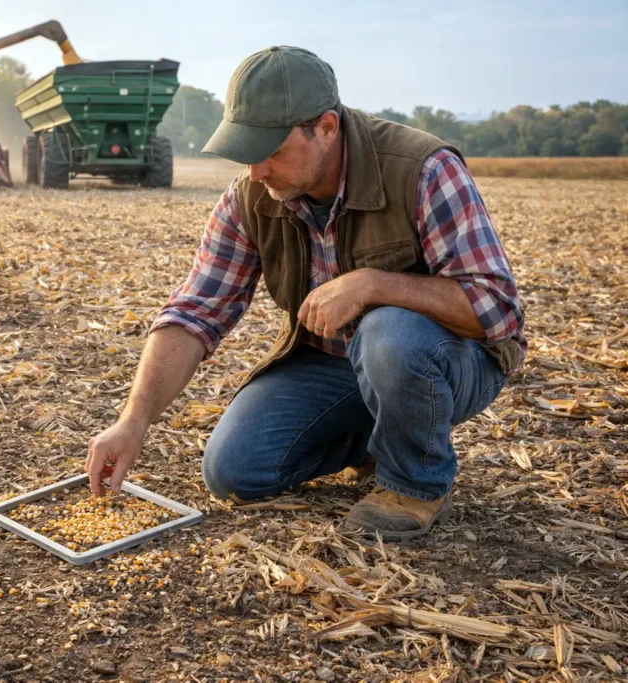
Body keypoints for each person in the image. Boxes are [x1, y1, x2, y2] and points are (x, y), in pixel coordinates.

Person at [84, 46, 526, 541]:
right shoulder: (250, 197)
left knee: (387, 330)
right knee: (234, 472)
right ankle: (378, 438)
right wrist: (133, 420)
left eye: (271, 150)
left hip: (447, 361)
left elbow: (497, 309)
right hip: (335, 365)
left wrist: (373, 284)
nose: (255, 172)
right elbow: (195, 312)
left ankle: (415, 484)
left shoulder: (422, 169)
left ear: (327, 128)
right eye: (247, 152)